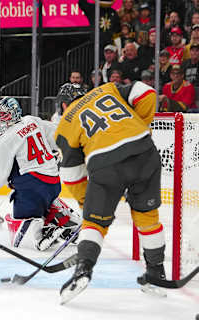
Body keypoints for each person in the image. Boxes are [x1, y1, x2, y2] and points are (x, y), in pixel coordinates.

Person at [55, 82, 166, 304]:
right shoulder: (107, 89)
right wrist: (137, 127)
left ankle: (83, 270)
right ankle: (155, 273)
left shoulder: (65, 124)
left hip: (106, 165)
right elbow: (147, 93)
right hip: (145, 151)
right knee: (147, 215)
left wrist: (88, 203)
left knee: (94, 223)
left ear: (63, 105)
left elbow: (71, 174)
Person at [0, 97, 81, 251]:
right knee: (44, 200)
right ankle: (67, 219)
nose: (2, 119)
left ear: (15, 113)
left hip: (31, 186)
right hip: (53, 183)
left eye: (5, 115)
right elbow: (56, 134)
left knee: (19, 237)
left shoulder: (5, 139)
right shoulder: (32, 121)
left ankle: (44, 233)